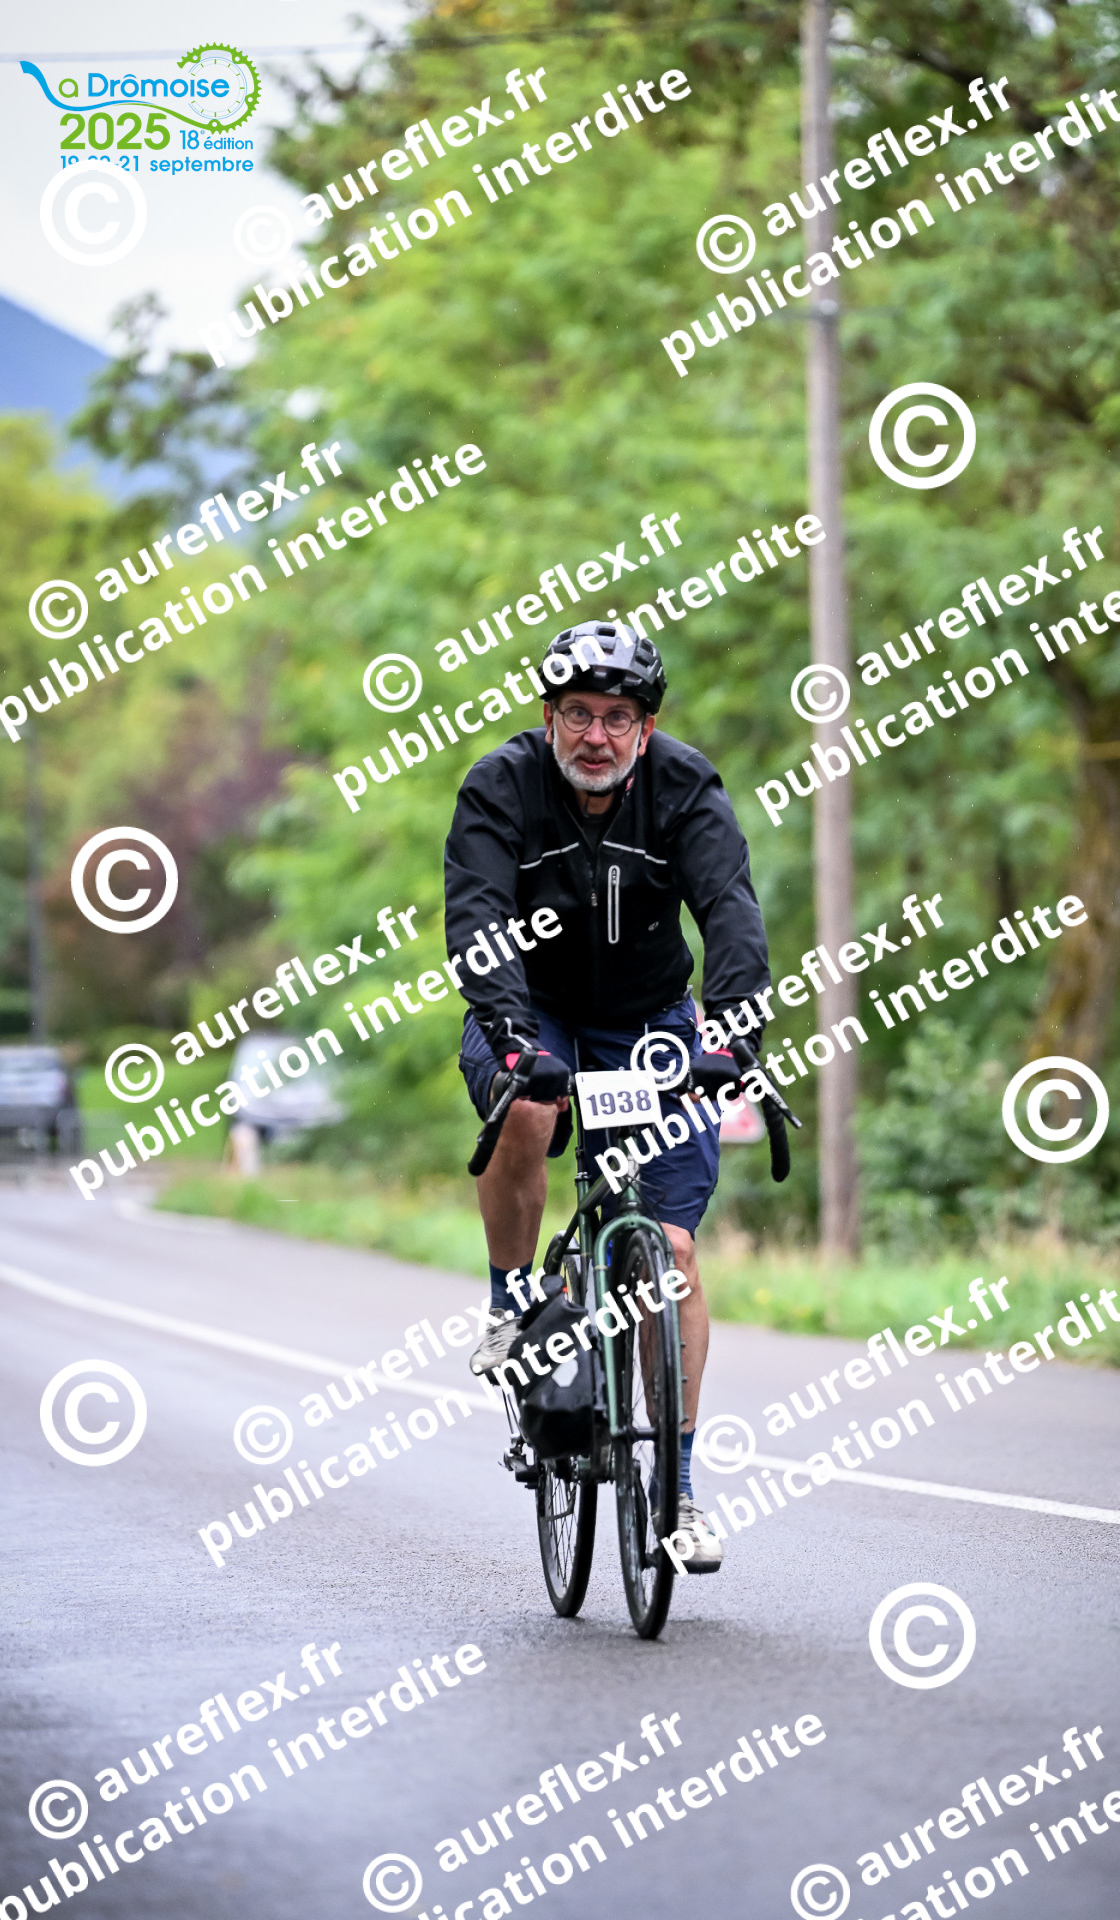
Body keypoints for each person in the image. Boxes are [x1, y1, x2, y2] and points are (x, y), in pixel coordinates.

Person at [444, 621, 772, 1570]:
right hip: (532, 1010)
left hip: (649, 1018)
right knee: (528, 1105)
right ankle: (512, 1302)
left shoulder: (685, 786)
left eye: (617, 718)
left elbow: (730, 913)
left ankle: (677, 1491)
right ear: (548, 716)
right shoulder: (499, 787)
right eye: (579, 714)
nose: (597, 735)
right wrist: (515, 1040)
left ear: (645, 727)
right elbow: (478, 922)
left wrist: (732, 1036)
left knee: (672, 1254)